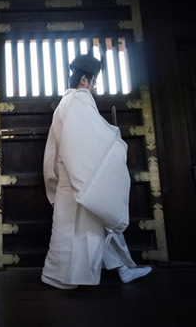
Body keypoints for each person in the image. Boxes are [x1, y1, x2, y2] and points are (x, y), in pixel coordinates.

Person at [41, 54, 152, 290]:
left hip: (70, 176)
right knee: (87, 228)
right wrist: (115, 140)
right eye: (94, 81)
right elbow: (92, 141)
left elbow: (58, 146)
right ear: (84, 79)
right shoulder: (80, 99)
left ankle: (123, 269)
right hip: (81, 175)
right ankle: (68, 278)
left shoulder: (65, 102)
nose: (95, 87)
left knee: (96, 224)